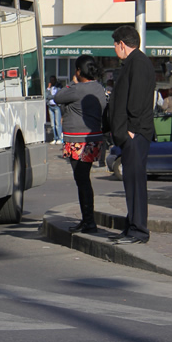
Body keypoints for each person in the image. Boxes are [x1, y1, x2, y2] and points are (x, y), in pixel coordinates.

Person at [108, 25, 156, 245]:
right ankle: (132, 226)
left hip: (136, 134)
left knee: (135, 183)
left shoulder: (137, 63)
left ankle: (138, 230)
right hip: (134, 133)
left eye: (115, 44)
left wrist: (132, 129)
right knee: (131, 182)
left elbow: (135, 99)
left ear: (122, 44)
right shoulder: (136, 62)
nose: (115, 49)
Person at [54, 55, 107, 234]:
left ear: (78, 70)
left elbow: (57, 97)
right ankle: (87, 220)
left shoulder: (77, 89)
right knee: (83, 179)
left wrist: (72, 82)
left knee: (82, 180)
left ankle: (89, 222)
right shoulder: (99, 87)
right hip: (94, 139)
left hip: (78, 141)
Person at [47, 76, 63, 144]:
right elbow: (46, 95)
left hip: (56, 106)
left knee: (57, 123)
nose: (52, 82)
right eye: (51, 80)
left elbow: (58, 95)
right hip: (50, 106)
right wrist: (48, 88)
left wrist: (51, 96)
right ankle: (55, 138)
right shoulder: (49, 88)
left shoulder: (59, 86)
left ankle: (59, 138)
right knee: (52, 124)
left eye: (53, 80)